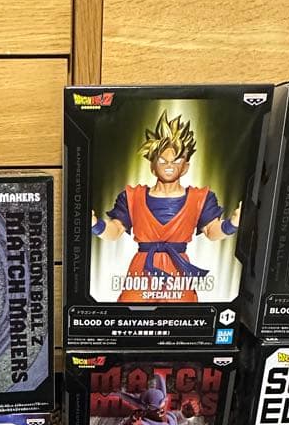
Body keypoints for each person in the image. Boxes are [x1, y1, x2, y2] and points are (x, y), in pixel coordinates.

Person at [92, 110, 240, 303]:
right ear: (152, 166)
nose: (169, 165)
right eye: (162, 160)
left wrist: (232, 224)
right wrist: (95, 224)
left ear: (186, 166)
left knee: (183, 317)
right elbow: (115, 231)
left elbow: (212, 231)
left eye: (177, 160)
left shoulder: (200, 198)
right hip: (142, 271)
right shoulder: (132, 197)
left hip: (178, 271)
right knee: (131, 314)